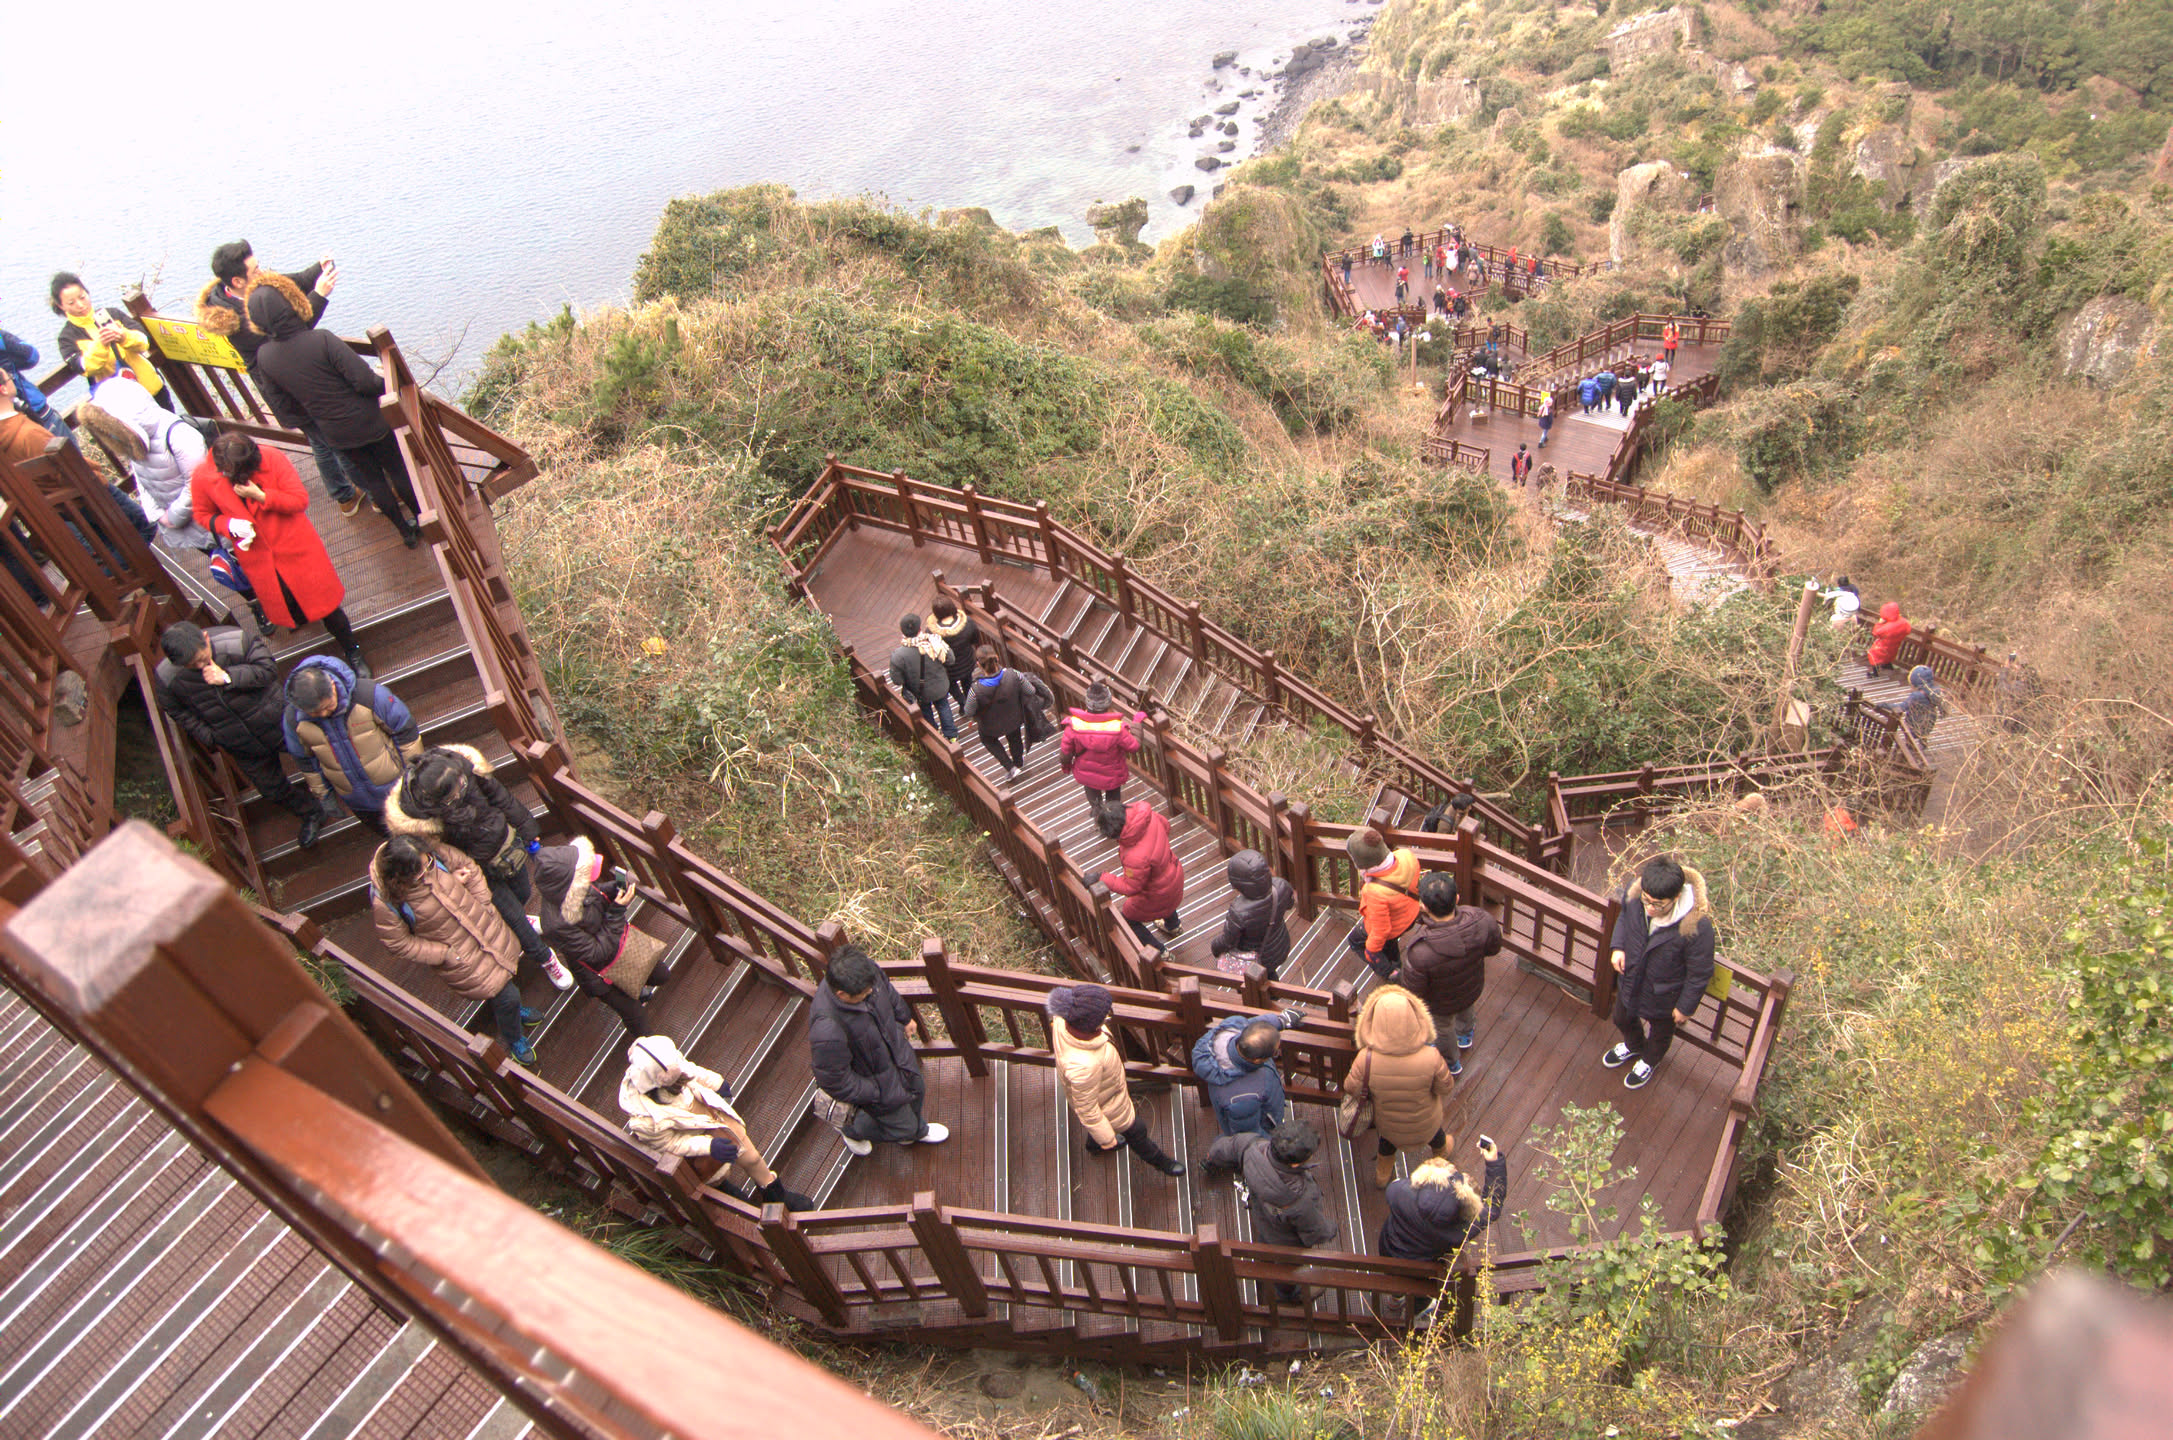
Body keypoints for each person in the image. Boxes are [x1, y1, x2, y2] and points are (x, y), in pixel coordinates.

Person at [246, 277, 422, 547]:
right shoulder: (321, 339)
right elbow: (364, 382)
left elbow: (285, 411)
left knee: (374, 480)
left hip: (334, 432)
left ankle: (405, 532)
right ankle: (422, 520)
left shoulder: (265, 357)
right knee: (397, 469)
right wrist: (389, 381)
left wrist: (317, 410)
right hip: (370, 420)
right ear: (292, 305)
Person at [195, 242, 366, 514]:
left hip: (293, 378)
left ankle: (344, 496)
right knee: (334, 440)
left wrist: (317, 268)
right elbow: (290, 332)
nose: (261, 272)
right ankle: (369, 491)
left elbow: (290, 283)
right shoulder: (236, 320)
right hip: (286, 387)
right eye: (255, 269)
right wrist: (319, 296)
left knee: (320, 439)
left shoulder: (252, 288)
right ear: (237, 281)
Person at [387, 745, 574, 991]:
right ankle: (545, 958)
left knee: (523, 891)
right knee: (514, 917)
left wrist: (526, 827)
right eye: (457, 789)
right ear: (441, 800)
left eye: (462, 782)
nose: (463, 786)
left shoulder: (464, 769)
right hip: (477, 868)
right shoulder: (420, 821)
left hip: (505, 848)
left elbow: (501, 798)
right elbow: (435, 852)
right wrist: (451, 874)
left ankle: (520, 920)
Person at [193, 433, 366, 665]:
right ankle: (303, 621)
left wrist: (261, 496)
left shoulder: (272, 458)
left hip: (296, 547)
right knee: (287, 601)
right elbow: (202, 514)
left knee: (327, 607)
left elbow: (299, 500)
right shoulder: (203, 476)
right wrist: (229, 525)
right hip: (258, 558)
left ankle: (352, 650)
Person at [370, 834, 542, 1067]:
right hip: (461, 957)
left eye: (429, 863)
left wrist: (483, 903)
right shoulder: (387, 901)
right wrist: (443, 954)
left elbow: (468, 866)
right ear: (400, 876)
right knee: (506, 995)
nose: (428, 870)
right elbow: (397, 942)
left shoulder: (433, 854)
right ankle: (514, 1038)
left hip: (485, 929)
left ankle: (514, 1010)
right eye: (420, 872)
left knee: (505, 978)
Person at [155, 620, 330, 848]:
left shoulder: (236, 641)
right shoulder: (167, 678)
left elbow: (267, 670)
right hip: (239, 742)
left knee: (319, 753)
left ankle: (339, 788)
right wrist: (211, 737)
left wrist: (228, 676)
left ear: (205, 638)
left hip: (276, 720)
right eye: (192, 665)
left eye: (201, 658)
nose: (199, 666)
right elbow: (176, 711)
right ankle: (311, 812)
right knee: (271, 789)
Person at [619, 1035, 814, 1210]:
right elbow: (670, 1143)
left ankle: (775, 1194)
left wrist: (715, 1082)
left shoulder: (670, 1064)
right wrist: (708, 1146)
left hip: (712, 1116)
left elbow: (691, 1070)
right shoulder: (645, 1119)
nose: (681, 1078)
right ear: (660, 1081)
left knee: (751, 1156)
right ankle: (728, 1196)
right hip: (695, 1140)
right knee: (715, 1177)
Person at [808, 945, 947, 1154]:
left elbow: (887, 990)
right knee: (903, 1126)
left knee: (917, 1090)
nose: (871, 991)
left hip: (898, 1056)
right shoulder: (827, 1030)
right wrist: (874, 1091)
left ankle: (916, 1131)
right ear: (842, 994)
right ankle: (853, 1131)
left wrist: (904, 1017)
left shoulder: (866, 974)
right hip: (875, 1085)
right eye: (864, 994)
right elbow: (834, 1080)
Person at [1601, 856, 1716, 1090]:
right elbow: (1624, 918)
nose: (1650, 908)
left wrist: (1685, 1008)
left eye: (1658, 904)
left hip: (1665, 995)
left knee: (1660, 1035)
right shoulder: (1636, 896)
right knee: (1621, 1017)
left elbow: (1699, 973)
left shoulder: (1697, 927)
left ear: (1676, 897)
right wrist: (1618, 946)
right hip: (1631, 978)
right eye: (1647, 900)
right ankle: (1634, 1045)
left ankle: (1649, 1061)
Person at [534, 835, 666, 1037]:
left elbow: (595, 892)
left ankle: (634, 987)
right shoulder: (555, 924)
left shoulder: (571, 886)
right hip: (599, 974)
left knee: (661, 975)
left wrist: (614, 889)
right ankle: (645, 1045)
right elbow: (596, 953)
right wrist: (616, 911)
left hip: (618, 947)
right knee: (634, 1014)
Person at [1046, 984, 1185, 1176]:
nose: (1106, 1019)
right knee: (1137, 1133)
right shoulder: (1084, 1067)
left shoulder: (1064, 1020)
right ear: (1090, 1027)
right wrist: (1107, 1138)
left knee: (1102, 1129)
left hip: (1105, 1091)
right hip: (1110, 1105)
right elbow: (1087, 1110)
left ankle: (1094, 1146)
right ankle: (1161, 1162)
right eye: (1103, 1018)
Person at [70, 378, 213, 555]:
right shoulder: (134, 441)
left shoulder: (179, 435)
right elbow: (142, 480)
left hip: (209, 520)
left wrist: (172, 518)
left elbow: (197, 482)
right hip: (186, 523)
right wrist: (156, 513)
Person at [283, 657, 421, 836]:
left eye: (327, 706)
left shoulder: (368, 695)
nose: (323, 714)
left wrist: (413, 777)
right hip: (359, 802)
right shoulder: (294, 721)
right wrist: (324, 795)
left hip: (400, 788)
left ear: (332, 685)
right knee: (392, 839)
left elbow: (406, 733)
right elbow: (306, 761)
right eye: (315, 712)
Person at [1378, 1137, 1508, 1324]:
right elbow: (1492, 1209)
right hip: (1420, 1271)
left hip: (1388, 1250)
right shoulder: (1456, 1232)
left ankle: (1395, 1298)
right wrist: (1493, 1161)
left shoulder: (1399, 1194)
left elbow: (1402, 1183)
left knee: (1395, 1274)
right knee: (1422, 1292)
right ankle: (1416, 1312)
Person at [1347, 985, 1455, 1188]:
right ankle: (1441, 1155)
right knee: (1436, 1135)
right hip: (1426, 1122)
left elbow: (1351, 1088)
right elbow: (1446, 1087)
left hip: (1388, 1125)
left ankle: (1382, 1174)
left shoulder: (1365, 1059)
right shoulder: (1431, 1056)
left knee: (1386, 1143)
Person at [1398, 871, 1502, 1077]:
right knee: (1466, 1008)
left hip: (1440, 1003)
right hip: (1472, 986)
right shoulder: (1481, 920)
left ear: (1423, 906)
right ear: (1457, 898)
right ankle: (1465, 1035)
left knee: (1443, 1029)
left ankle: (1451, 1063)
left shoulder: (1421, 951)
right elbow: (1493, 948)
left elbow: (1414, 992)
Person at [1192, 1006, 1308, 1164]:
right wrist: (1276, 1148)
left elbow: (1253, 1026)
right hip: (1256, 1124)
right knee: (1235, 1144)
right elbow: (1249, 1136)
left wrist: (1281, 1021)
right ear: (1257, 1060)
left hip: (1245, 1110)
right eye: (1275, 1052)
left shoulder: (1230, 1029)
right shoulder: (1243, 1098)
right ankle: (1219, 1161)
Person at [1240, 1119, 1336, 1303]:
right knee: (1288, 1267)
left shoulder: (1253, 1148)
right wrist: (1330, 1229)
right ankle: (1287, 1294)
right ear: (1294, 1164)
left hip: (1263, 1220)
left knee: (1265, 1242)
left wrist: (1212, 1158)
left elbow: (1230, 1146)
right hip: (1287, 1241)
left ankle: (1264, 1262)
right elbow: (1315, 1230)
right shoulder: (1301, 1199)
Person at [49, 273, 169, 408]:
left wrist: (124, 337)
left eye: (82, 297)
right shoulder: (67, 338)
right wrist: (101, 344)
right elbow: (86, 368)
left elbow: (144, 342)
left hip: (152, 389)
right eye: (71, 303)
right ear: (61, 306)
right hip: (121, 403)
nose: (81, 305)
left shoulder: (112, 314)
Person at [1097, 797, 1185, 953]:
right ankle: (1173, 926)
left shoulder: (1135, 855)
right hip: (1174, 872)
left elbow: (1131, 888)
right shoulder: (1147, 816)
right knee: (1163, 888)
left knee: (1128, 918)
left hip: (1158, 894)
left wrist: (1102, 878)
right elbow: (1166, 826)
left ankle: (1160, 952)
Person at [1343, 826, 1422, 982]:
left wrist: (1372, 951)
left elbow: (1382, 929)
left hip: (1393, 927)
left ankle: (1391, 973)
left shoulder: (1375, 891)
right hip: (1411, 913)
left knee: (1356, 941)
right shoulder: (1406, 856)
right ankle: (1396, 964)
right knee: (1390, 945)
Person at [1208, 849, 1296, 981]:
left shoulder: (1239, 912)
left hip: (1254, 959)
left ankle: (1262, 992)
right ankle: (1274, 988)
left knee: (1250, 984)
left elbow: (1229, 941)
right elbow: (1289, 904)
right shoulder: (1281, 886)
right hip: (1279, 946)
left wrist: (1215, 947)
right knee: (1270, 973)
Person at [1059, 681, 1143, 806]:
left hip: (1086, 772)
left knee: (1092, 794)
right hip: (1112, 774)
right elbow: (1134, 746)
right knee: (1113, 801)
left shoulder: (1074, 726)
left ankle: (1097, 812)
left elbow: (1065, 753)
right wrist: (1137, 723)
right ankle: (1112, 814)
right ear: (1108, 703)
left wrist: (1066, 764)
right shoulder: (1117, 728)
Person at [962, 646, 1036, 781]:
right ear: (997, 658)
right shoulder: (1014, 674)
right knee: (1014, 736)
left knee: (987, 739)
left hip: (990, 726)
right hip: (1014, 718)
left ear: (978, 664)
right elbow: (1030, 691)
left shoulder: (976, 689)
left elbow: (968, 711)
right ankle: (1018, 761)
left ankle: (1010, 767)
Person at [887, 613, 958, 739]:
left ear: (902, 631)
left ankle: (934, 735)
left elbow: (897, 681)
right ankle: (951, 735)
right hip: (940, 686)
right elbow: (950, 660)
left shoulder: (898, 656)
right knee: (943, 707)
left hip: (919, 691)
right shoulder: (935, 642)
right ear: (920, 628)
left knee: (926, 711)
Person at [0, 329, 68, 438]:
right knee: (68, 447)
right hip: (33, 410)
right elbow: (31, 357)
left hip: (9, 428)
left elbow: (31, 357)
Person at [927, 596, 980, 709]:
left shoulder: (932, 633)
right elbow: (975, 639)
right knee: (967, 683)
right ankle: (970, 704)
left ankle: (962, 703)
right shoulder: (967, 623)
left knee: (952, 687)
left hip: (948, 670)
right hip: (967, 663)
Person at [1879, 665, 1949, 740]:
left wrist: (1884, 705)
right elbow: (1943, 706)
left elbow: (1901, 707)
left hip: (1915, 722)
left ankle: (1910, 744)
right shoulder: (1937, 691)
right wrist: (1943, 713)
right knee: (1924, 734)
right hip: (1930, 720)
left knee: (1911, 737)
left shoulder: (1916, 696)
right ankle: (1923, 742)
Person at [1865, 600, 1911, 678]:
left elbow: (1876, 633)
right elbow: (1908, 630)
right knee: (1889, 655)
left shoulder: (1887, 627)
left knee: (1873, 655)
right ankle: (1887, 666)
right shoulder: (1903, 622)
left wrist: (1880, 623)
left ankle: (1875, 673)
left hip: (1883, 645)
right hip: (1895, 644)